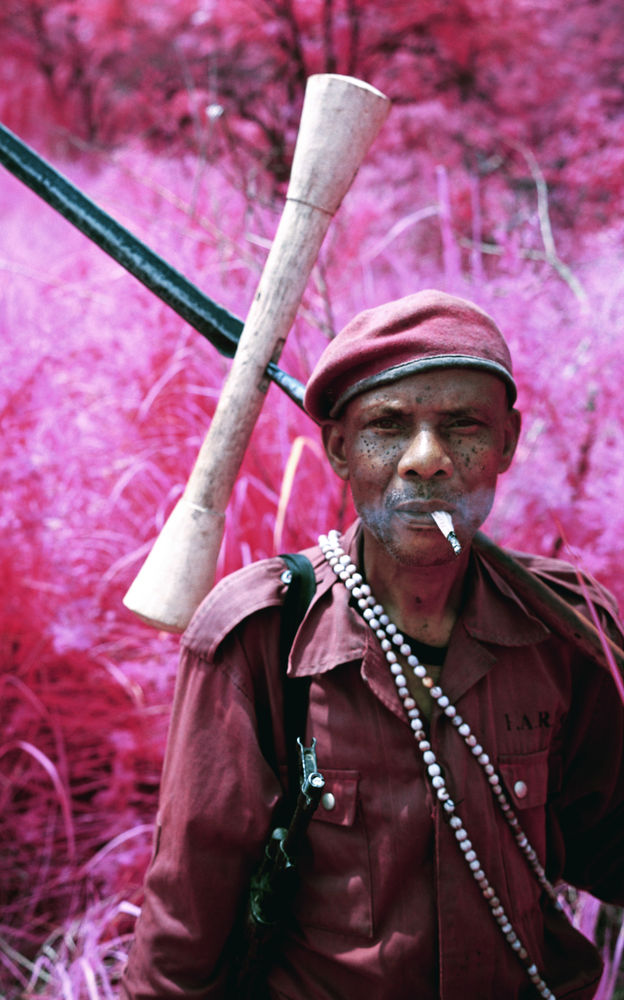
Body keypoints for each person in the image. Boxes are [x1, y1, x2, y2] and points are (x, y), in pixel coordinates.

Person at [120, 289, 624, 999]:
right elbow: (186, 926)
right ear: (339, 449)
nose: (427, 460)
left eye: (462, 426)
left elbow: (608, 838)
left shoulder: (564, 628)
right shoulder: (264, 636)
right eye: (388, 426)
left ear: (506, 443)